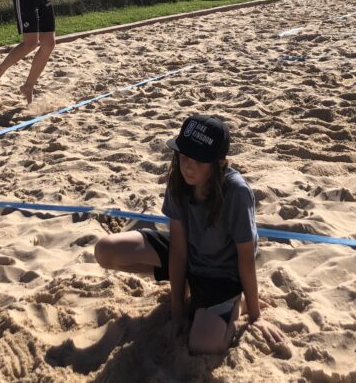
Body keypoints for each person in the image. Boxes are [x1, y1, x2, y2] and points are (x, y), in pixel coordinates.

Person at [93, 114, 285, 354]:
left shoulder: (236, 191)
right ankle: (191, 296)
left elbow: (246, 256)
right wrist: (177, 313)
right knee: (105, 250)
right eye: (184, 156)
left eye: (199, 160)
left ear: (220, 163)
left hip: (222, 275)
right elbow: (179, 248)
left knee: (203, 344)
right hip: (190, 256)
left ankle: (238, 305)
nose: (188, 166)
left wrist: (256, 316)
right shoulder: (178, 180)